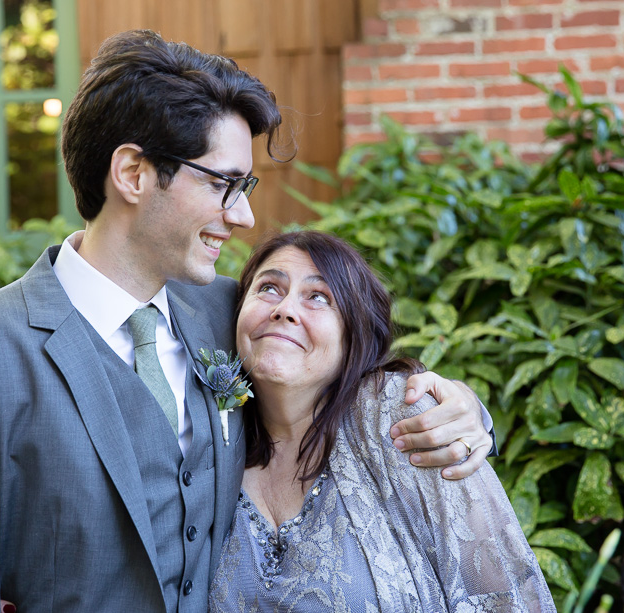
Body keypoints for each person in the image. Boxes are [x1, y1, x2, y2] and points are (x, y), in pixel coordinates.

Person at [0, 30, 494, 612]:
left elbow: (345, 382)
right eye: (224, 184)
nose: (244, 216)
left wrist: (462, 410)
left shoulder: (236, 315)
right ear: (133, 174)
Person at [209, 231, 554, 611]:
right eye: (269, 288)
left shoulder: (397, 415)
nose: (284, 309)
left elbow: (503, 596)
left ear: (353, 336)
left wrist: (470, 405)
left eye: (318, 297)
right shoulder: (211, 432)